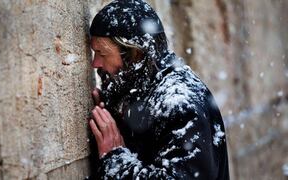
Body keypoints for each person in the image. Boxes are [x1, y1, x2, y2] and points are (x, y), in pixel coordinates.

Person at [88, 0, 230, 179]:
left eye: (102, 53)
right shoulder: (146, 89)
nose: (95, 63)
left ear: (135, 54)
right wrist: (115, 122)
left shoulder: (179, 102)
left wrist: (116, 160)